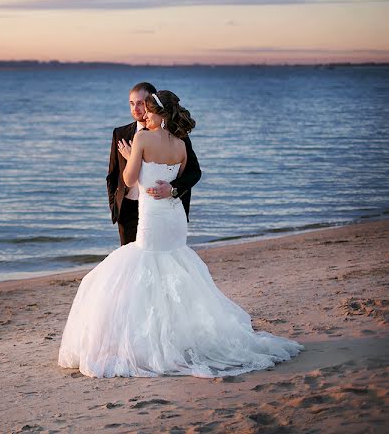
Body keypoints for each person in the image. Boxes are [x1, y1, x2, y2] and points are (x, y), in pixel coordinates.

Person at [59, 91, 302, 377]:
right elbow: (181, 174)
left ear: (157, 112)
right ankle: (183, 336)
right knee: (172, 267)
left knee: (145, 266)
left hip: (153, 218)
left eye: (148, 111)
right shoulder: (180, 144)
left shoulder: (142, 138)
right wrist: (170, 187)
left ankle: (155, 342)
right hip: (174, 217)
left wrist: (129, 156)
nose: (144, 115)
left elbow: (128, 179)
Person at [107, 82, 201, 246]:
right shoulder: (120, 133)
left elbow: (194, 172)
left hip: (162, 208)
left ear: (152, 103)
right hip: (128, 209)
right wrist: (115, 205)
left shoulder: (179, 136)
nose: (136, 108)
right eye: (131, 103)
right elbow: (112, 174)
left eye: (141, 103)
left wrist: (173, 189)